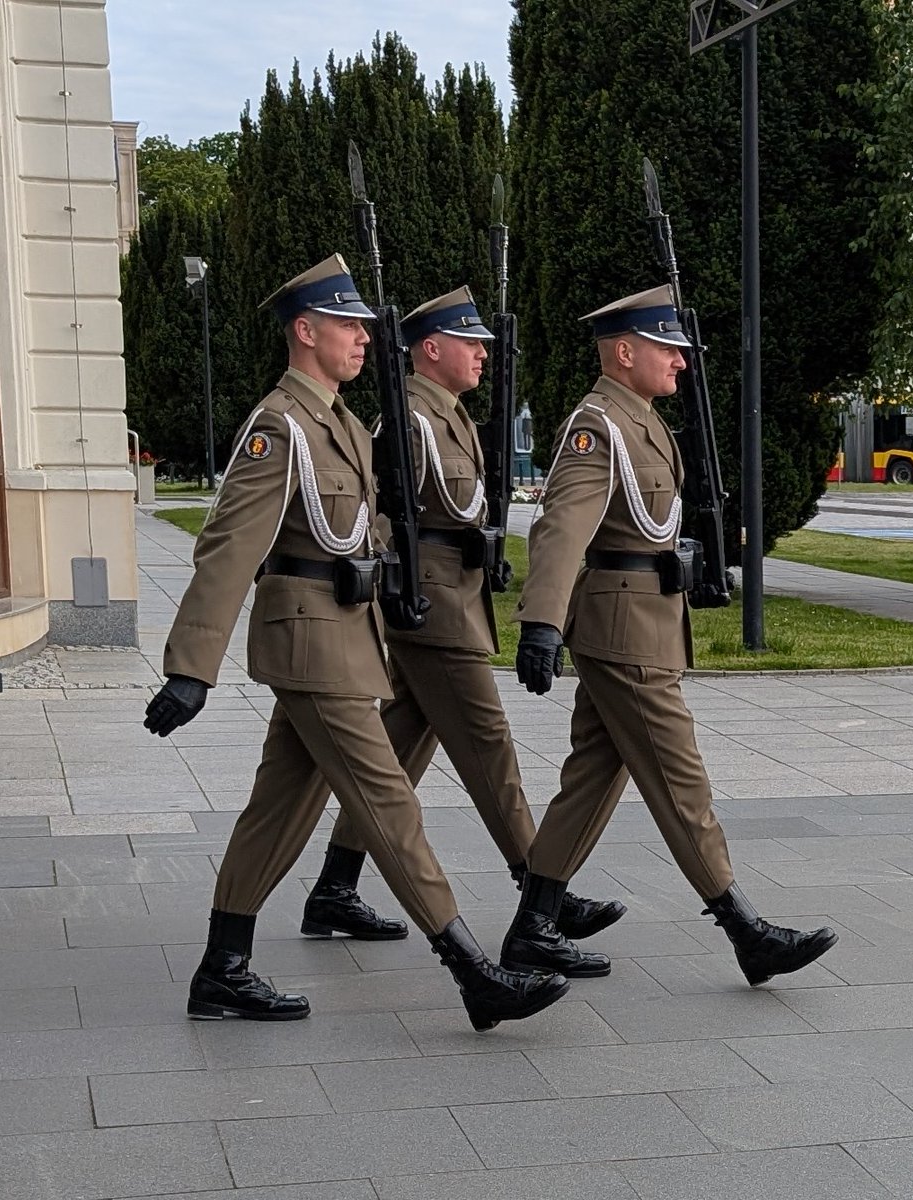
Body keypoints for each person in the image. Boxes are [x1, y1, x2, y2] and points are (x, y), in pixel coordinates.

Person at [143, 254, 569, 1031]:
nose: (365, 340)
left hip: (346, 636)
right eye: (348, 327)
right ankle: (474, 972)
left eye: (365, 328)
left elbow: (367, 532)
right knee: (388, 801)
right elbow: (228, 547)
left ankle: (222, 969)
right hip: (310, 644)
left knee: (277, 809)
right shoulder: (281, 426)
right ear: (305, 332)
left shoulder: (336, 421)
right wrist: (190, 668)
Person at [498, 284, 839, 988]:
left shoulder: (641, 418)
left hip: (644, 620)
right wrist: (539, 622)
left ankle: (534, 925)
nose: (682, 363)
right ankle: (745, 929)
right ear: (625, 352)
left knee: (593, 775)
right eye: (668, 349)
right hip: (622, 631)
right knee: (680, 779)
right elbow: (563, 527)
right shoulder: (599, 424)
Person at [299, 286, 623, 976]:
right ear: (430, 349)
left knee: (398, 752)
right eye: (469, 342)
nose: (483, 354)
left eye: (484, 343)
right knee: (489, 748)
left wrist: (482, 551)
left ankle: (334, 887)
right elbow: (374, 519)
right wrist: (394, 584)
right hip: (431, 612)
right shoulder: (408, 421)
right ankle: (542, 896)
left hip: (455, 598)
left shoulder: (453, 420)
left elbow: (455, 513)